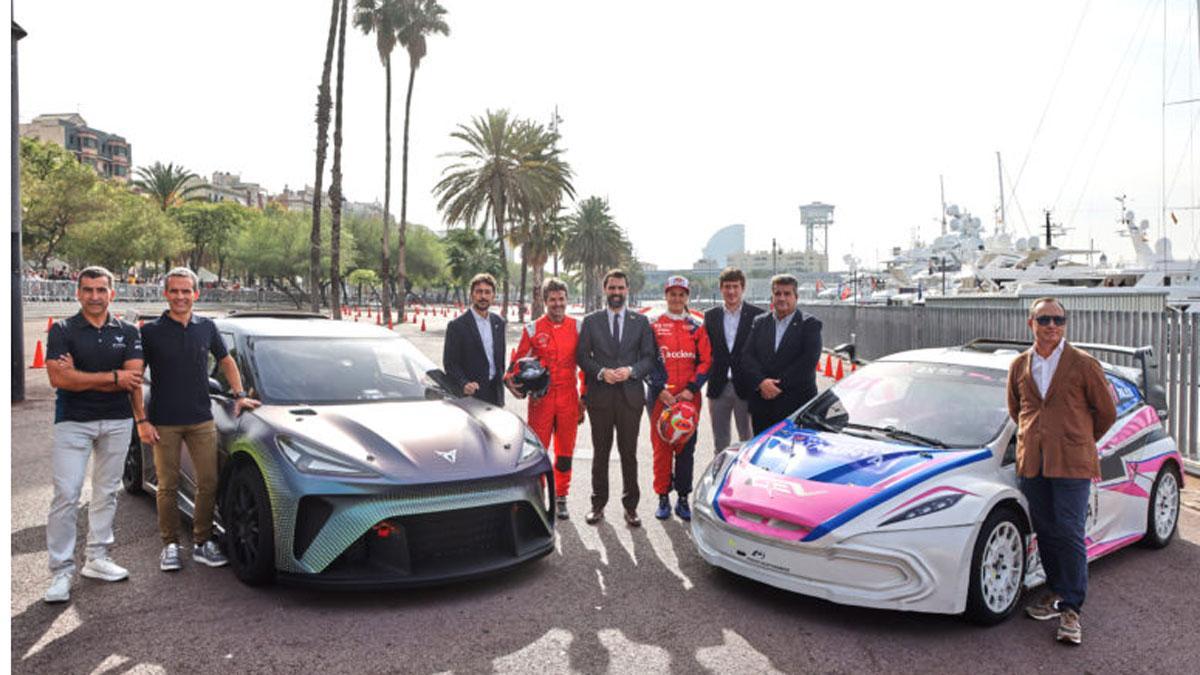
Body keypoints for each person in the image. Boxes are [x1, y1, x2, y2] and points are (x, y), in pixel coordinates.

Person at [132, 267, 260, 573]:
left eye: (186, 291)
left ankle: (202, 541)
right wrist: (141, 421)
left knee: (208, 482)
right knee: (167, 485)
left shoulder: (206, 327)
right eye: (174, 291)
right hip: (164, 421)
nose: (180, 296)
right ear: (166, 294)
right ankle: (170, 545)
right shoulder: (150, 332)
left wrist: (240, 394)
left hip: (202, 419)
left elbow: (226, 360)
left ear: (195, 294)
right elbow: (135, 379)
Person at [1006, 297, 1116, 646]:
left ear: (1065, 324)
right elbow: (1017, 410)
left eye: (1058, 319)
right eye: (1044, 320)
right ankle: (1056, 591)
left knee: (1069, 531)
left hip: (1072, 462)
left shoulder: (1083, 363)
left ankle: (1071, 608)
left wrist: (1078, 439)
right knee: (1046, 530)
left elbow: (1106, 412)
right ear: (1031, 324)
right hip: (1033, 462)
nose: (1052, 325)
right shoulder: (1019, 365)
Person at [43, 266, 144, 604]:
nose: (95, 296)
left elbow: (133, 378)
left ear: (112, 293)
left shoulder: (128, 331)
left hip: (117, 421)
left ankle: (97, 558)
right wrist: (113, 377)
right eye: (88, 290)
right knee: (66, 494)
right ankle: (61, 571)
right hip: (73, 421)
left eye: (101, 290)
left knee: (106, 492)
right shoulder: (62, 330)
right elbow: (59, 380)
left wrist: (82, 376)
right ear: (78, 293)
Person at [576, 269, 657, 527]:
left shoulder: (641, 322)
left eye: (621, 288)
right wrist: (601, 372)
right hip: (599, 398)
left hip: (630, 398)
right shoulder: (591, 321)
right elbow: (582, 357)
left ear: (627, 290)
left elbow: (649, 358)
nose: (616, 292)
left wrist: (632, 371)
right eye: (612, 288)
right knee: (600, 454)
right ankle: (597, 505)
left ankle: (631, 507)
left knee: (629, 454)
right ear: (605, 290)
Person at [505, 278, 584, 519]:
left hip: (569, 397)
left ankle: (561, 496)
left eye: (561, 299)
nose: (557, 304)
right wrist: (509, 380)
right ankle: (538, 496)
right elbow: (516, 364)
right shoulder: (532, 329)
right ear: (544, 301)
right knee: (538, 451)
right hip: (541, 400)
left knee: (565, 451)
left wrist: (584, 397)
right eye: (553, 300)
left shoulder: (578, 327)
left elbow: (585, 366)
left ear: (567, 300)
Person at [646, 276, 712, 521]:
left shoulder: (697, 326)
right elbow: (646, 360)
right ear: (666, 296)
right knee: (661, 447)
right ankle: (662, 496)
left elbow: (707, 361)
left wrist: (691, 389)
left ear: (687, 297)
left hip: (688, 398)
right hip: (659, 398)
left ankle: (683, 497)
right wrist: (658, 389)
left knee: (685, 448)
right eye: (672, 294)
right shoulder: (653, 325)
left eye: (681, 294)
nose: (676, 298)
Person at [741, 274, 823, 434]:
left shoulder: (810, 325)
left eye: (787, 293)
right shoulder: (760, 322)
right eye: (777, 293)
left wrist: (774, 387)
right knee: (763, 448)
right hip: (762, 406)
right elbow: (747, 356)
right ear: (772, 297)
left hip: (796, 407)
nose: (782, 298)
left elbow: (808, 362)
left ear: (796, 297)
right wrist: (761, 382)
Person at [703, 267, 764, 452]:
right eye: (727, 287)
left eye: (735, 287)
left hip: (746, 387)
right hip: (718, 387)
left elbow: (761, 353)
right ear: (721, 288)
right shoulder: (710, 316)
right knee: (720, 443)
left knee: (748, 442)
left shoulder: (758, 316)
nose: (731, 291)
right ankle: (721, 471)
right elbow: (705, 351)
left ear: (742, 288)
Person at [443, 273, 506, 406]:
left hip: (495, 395)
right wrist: (464, 383)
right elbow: (450, 363)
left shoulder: (499, 323)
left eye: (487, 292)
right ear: (471, 295)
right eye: (479, 292)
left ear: (493, 296)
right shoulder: (457, 326)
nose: (483, 296)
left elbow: (500, 361)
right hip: (471, 395)